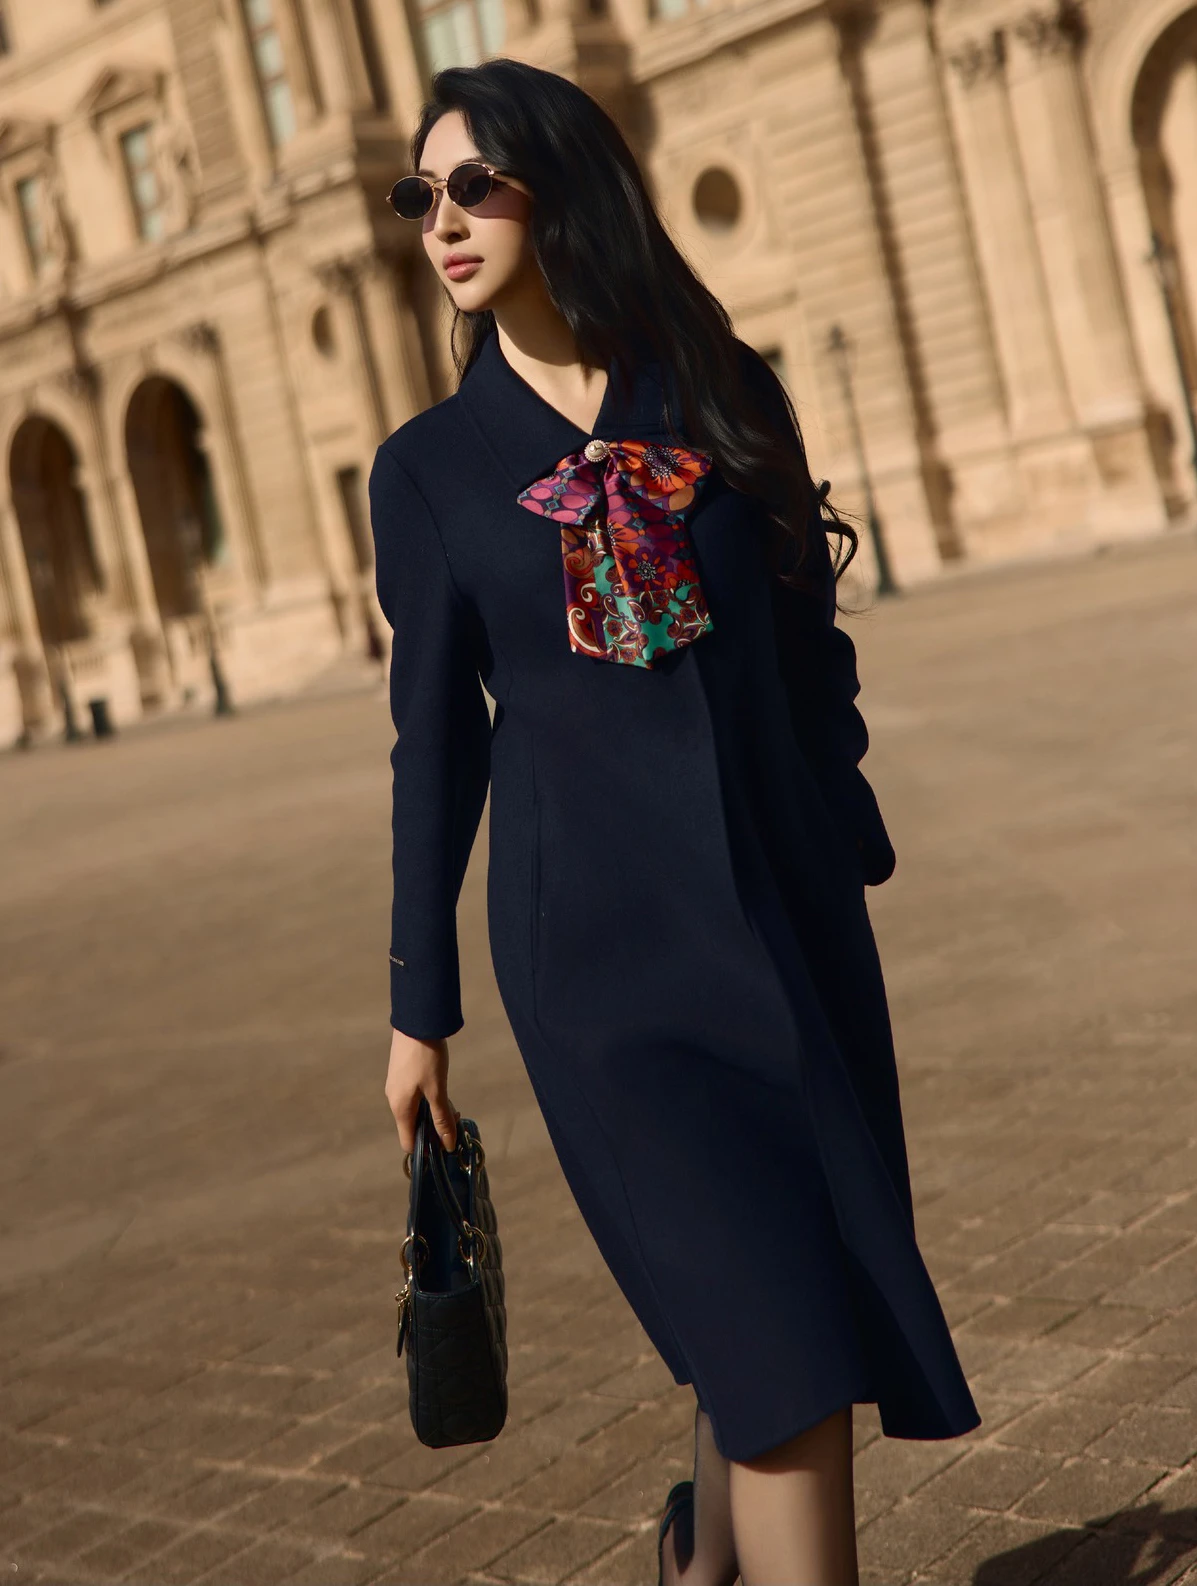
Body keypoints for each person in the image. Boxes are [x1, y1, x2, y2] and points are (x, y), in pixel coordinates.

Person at [370, 56, 980, 1586]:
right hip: (603, 967)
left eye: (473, 186)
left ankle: (698, 1553)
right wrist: (418, 1008)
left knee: (789, 1298)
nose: (442, 222)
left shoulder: (718, 389)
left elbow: (807, 636)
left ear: (561, 187)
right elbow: (433, 747)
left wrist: (839, 830)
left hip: (785, 921)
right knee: (786, 1367)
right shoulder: (429, 471)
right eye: (419, 197)